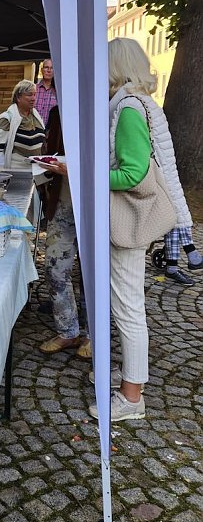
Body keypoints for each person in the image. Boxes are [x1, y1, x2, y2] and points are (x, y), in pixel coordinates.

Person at [90, 38, 189, 422]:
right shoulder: (132, 103)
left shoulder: (128, 108)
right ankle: (133, 378)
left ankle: (132, 398)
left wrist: (86, 173)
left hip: (128, 221)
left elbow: (132, 172)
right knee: (128, 304)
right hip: (125, 219)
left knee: (128, 307)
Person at [39, 106, 91, 358]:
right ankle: (68, 331)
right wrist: (45, 166)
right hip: (63, 201)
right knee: (54, 267)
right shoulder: (59, 111)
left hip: (95, 204)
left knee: (91, 273)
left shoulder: (102, 106)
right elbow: (49, 150)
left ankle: (93, 335)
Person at [0, 79, 46, 170]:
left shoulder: (36, 117)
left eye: (35, 94)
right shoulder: (6, 119)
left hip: (37, 171)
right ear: (18, 98)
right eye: (29, 95)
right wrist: (1, 174)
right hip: (16, 170)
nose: (33, 98)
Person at [34, 59, 58, 127]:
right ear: (42, 70)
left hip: (51, 133)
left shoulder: (58, 92)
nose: (49, 70)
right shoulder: (33, 89)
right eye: (46, 67)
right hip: (34, 131)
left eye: (51, 68)